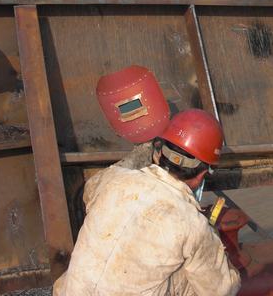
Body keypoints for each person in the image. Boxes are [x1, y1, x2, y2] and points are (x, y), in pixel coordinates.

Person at [53, 108, 240, 296]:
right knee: (195, 278)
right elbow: (221, 291)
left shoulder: (111, 178)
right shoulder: (193, 224)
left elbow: (89, 191)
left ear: (159, 153)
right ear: (202, 175)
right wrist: (213, 241)